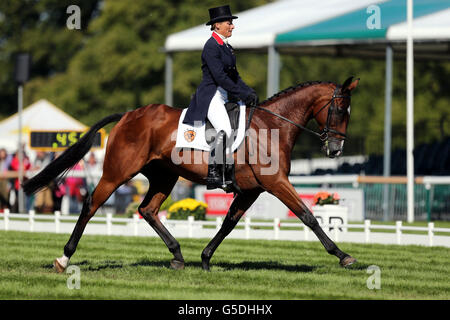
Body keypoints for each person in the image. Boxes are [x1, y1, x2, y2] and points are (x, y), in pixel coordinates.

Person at [183, 5, 259, 191]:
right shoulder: (211, 46)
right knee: (225, 128)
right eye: (229, 22)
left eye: (232, 23)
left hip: (226, 94)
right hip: (211, 95)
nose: (232, 26)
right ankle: (214, 173)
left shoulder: (226, 46)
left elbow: (234, 76)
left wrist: (249, 92)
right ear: (217, 25)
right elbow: (220, 77)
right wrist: (242, 93)